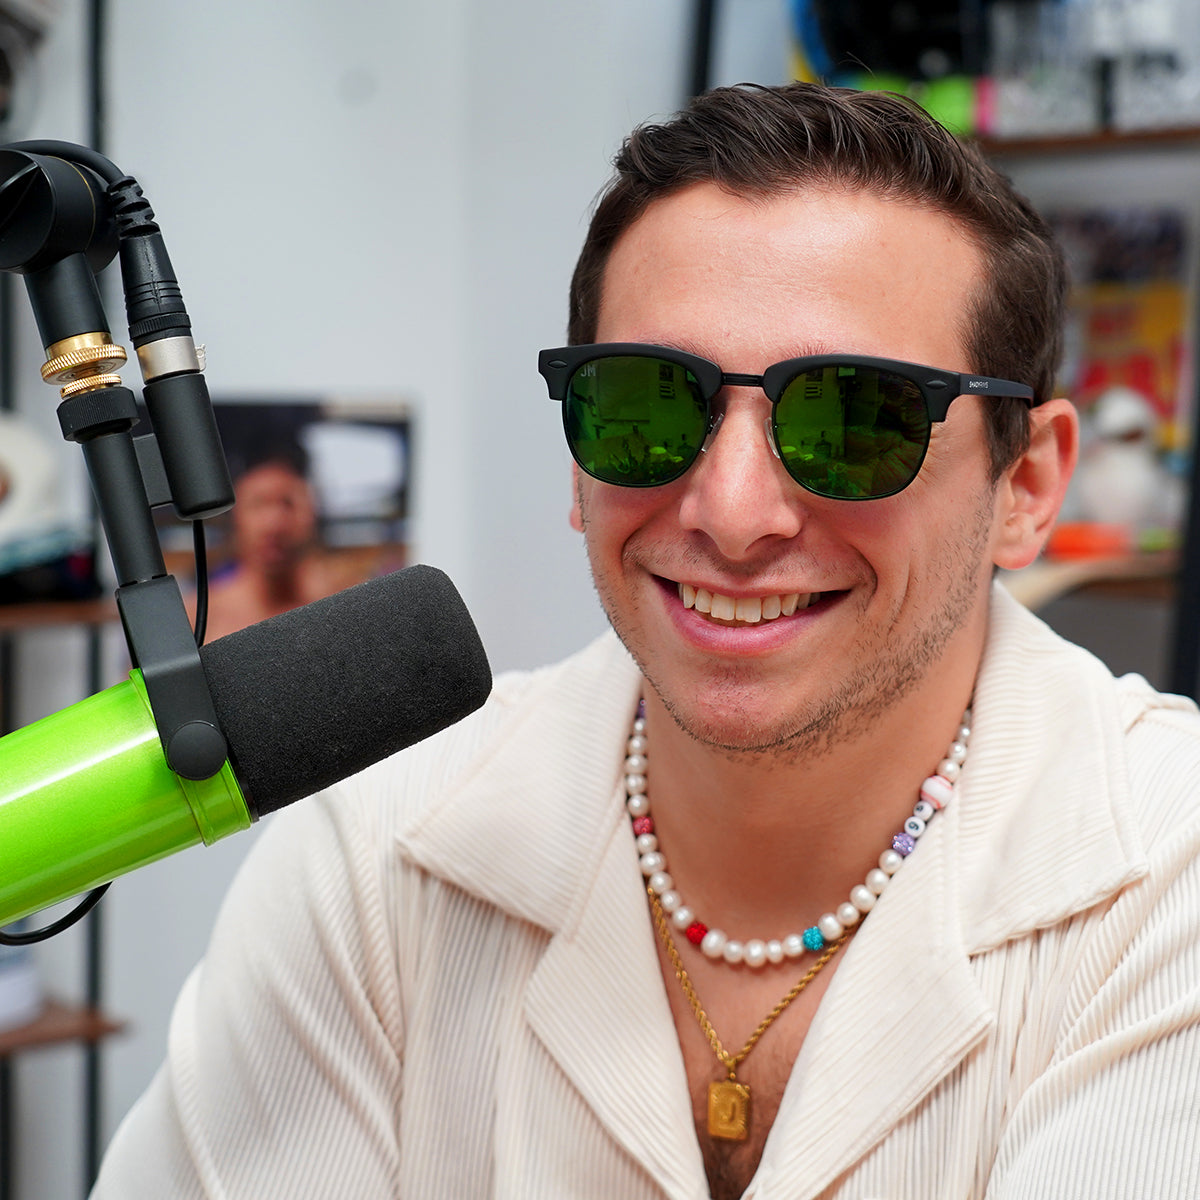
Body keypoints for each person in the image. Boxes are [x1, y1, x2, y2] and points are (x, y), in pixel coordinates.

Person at [91, 83, 1200, 1199]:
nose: (730, 511)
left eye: (857, 420)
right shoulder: (372, 850)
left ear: (1030, 484)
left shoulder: (1169, 868)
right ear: (580, 463)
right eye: (650, 405)